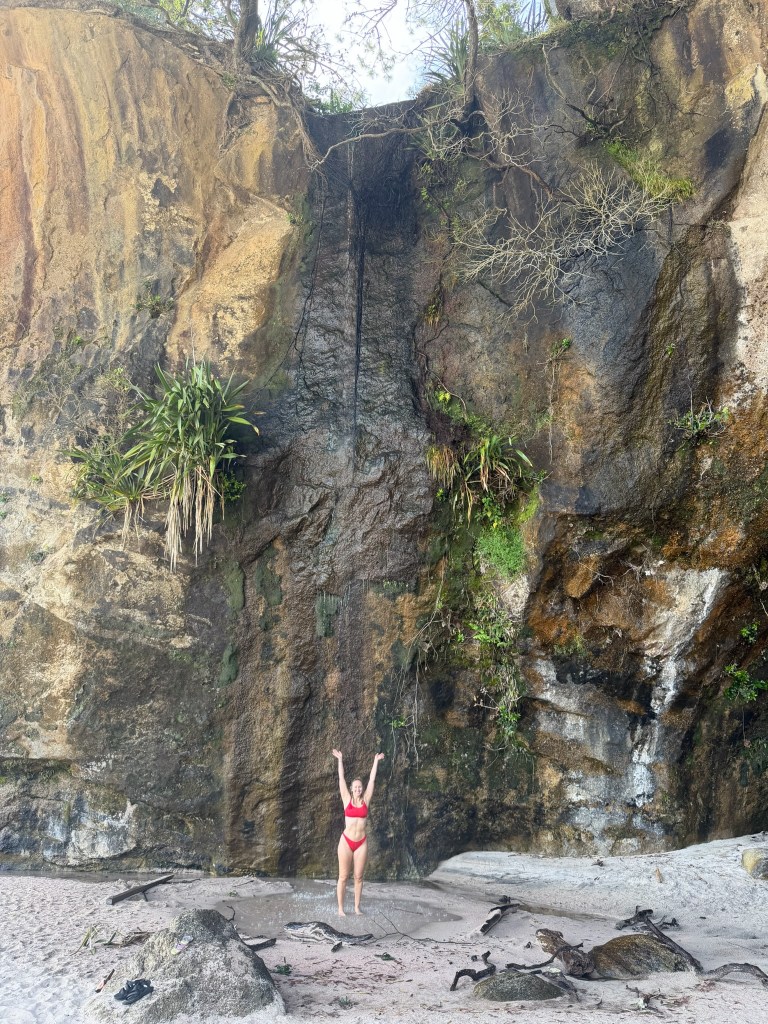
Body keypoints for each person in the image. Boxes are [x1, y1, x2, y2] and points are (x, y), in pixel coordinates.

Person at [332, 748, 384, 916]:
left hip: (361, 842)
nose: (357, 789)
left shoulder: (366, 800)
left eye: (359, 787)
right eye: (355, 787)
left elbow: (372, 779)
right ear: (351, 789)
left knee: (359, 877)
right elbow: (341, 778)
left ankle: (356, 907)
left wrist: (375, 761)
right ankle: (341, 909)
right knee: (343, 877)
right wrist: (340, 760)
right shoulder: (346, 799)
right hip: (346, 842)